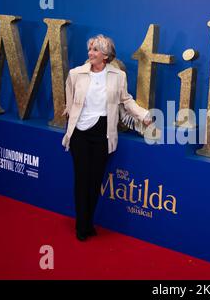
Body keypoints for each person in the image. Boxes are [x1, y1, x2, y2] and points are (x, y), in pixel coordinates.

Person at [62, 34, 152, 241]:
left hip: (103, 133)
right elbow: (70, 98)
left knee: (95, 182)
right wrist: (71, 114)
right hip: (79, 134)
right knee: (81, 180)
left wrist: (143, 115)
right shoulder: (76, 73)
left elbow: (126, 101)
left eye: (95, 50)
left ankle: (88, 222)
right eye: (90, 49)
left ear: (106, 55)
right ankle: (81, 226)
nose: (90, 53)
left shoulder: (118, 75)